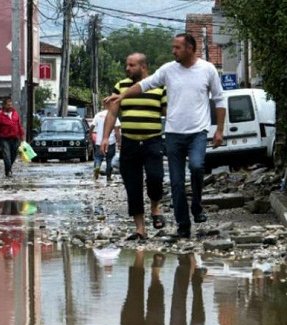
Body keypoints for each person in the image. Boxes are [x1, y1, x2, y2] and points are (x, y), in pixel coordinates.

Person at [106, 34, 226, 239]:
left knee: (197, 166)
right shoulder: (168, 70)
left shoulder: (207, 69)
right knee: (177, 182)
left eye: (177, 48)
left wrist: (220, 130)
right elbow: (145, 84)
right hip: (172, 134)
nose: (173, 51)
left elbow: (220, 100)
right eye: (173, 47)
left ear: (190, 48)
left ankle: (196, 207)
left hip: (198, 131)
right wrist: (123, 95)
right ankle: (183, 225)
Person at [101, 53, 167, 241]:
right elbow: (112, 114)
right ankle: (140, 229)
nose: (127, 69)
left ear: (143, 67)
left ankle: (155, 208)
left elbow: (168, 112)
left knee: (156, 177)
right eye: (126, 65)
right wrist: (105, 137)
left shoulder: (159, 87)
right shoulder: (120, 87)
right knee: (132, 185)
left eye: (131, 65)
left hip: (153, 141)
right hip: (129, 142)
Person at [0, 97, 25, 177]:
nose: (10, 106)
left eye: (11, 104)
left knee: (13, 155)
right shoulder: (0, 116)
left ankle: (8, 169)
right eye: (8, 105)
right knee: (6, 155)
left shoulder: (15, 114)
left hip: (15, 138)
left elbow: (19, 126)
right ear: (4, 106)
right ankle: (9, 171)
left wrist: (22, 137)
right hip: (4, 139)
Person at [91, 103, 121, 181]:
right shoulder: (113, 116)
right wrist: (119, 142)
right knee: (109, 159)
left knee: (98, 157)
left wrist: (90, 136)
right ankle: (108, 176)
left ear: (104, 106)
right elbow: (117, 131)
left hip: (99, 142)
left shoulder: (98, 115)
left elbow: (92, 127)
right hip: (111, 141)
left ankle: (97, 167)